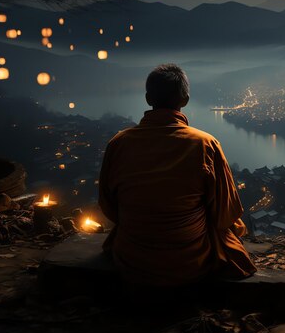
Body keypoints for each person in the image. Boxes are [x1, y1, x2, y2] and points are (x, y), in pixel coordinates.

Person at [99, 64, 256, 287]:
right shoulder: (205, 144)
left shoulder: (118, 143)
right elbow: (225, 215)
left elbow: (109, 207)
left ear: (147, 98)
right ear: (185, 99)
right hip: (190, 261)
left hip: (131, 258)